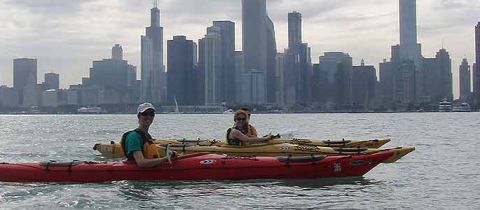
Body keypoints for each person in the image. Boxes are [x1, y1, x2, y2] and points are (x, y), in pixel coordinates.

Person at [120, 103, 174, 168]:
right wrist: (165, 159)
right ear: (139, 116)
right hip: (135, 173)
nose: (148, 117)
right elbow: (141, 163)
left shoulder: (147, 136)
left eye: (151, 114)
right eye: (145, 114)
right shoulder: (134, 137)